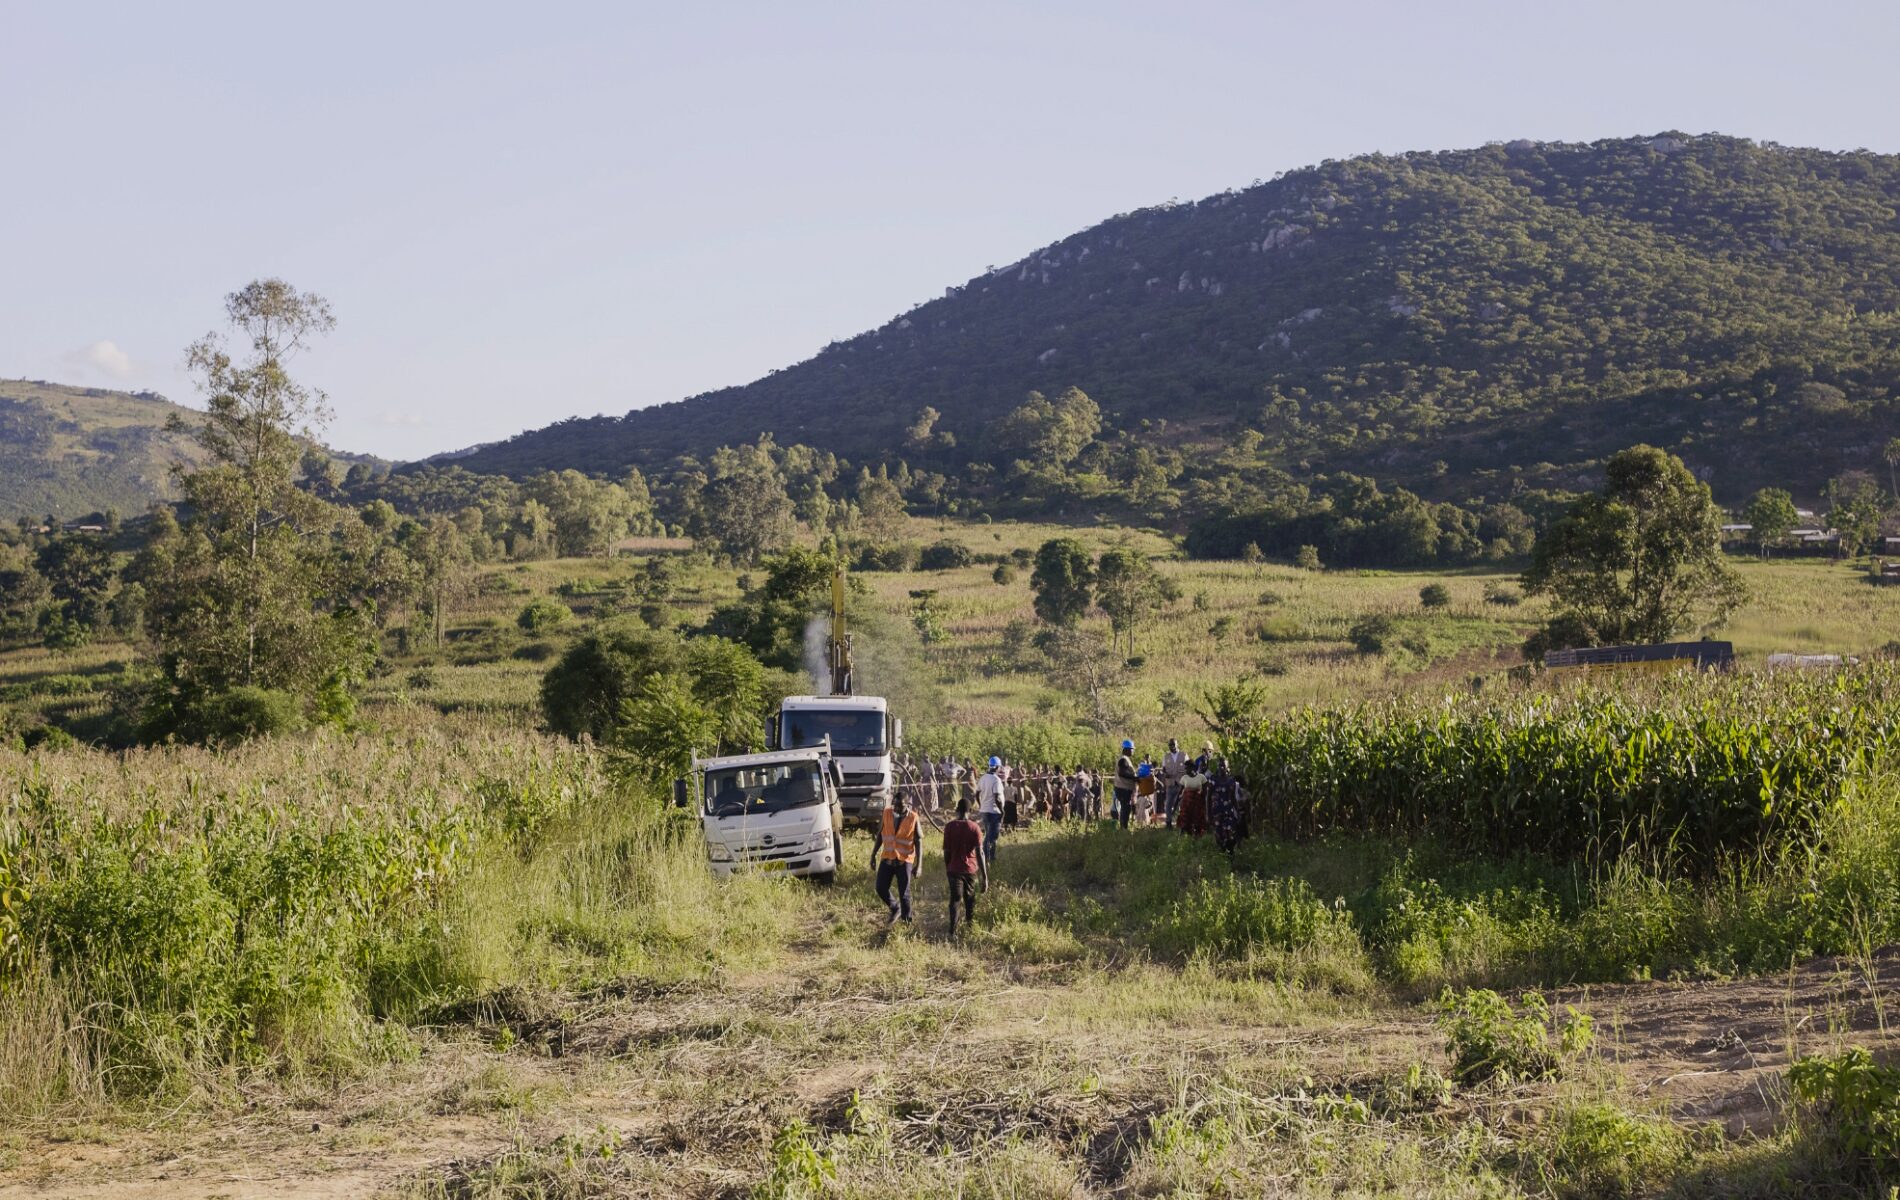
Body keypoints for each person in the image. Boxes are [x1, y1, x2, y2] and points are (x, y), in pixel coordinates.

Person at [871, 786, 922, 923]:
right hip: (887, 858)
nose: (896, 808)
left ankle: (907, 921)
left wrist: (919, 865)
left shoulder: (913, 817)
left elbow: (918, 841)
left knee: (904, 894)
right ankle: (895, 908)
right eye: (895, 805)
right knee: (880, 887)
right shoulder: (887, 813)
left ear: (907, 804)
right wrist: (873, 855)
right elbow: (880, 835)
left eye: (899, 806)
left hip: (904, 861)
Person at [941, 797, 988, 935]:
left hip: (954, 869)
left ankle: (952, 931)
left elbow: (946, 852)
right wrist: (985, 877)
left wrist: (948, 867)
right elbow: (980, 853)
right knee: (970, 898)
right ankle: (970, 926)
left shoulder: (949, 827)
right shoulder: (975, 828)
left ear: (956, 810)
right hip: (970, 870)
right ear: (971, 811)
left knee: (955, 899)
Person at [1209, 758, 1248, 857]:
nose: (1221, 768)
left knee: (1230, 835)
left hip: (1228, 812)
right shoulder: (1213, 780)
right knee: (1219, 836)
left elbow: (1233, 798)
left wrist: (1238, 813)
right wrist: (1208, 814)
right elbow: (1208, 797)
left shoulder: (1231, 781)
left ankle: (1230, 855)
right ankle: (1222, 855)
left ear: (1227, 768)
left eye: (1223, 766)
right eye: (1220, 765)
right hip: (1217, 812)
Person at [976, 755, 1005, 863]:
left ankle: (987, 857)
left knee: (988, 833)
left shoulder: (983, 778)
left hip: (984, 810)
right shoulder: (996, 780)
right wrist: (1002, 811)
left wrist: (981, 804)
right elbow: (997, 797)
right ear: (997, 767)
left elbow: (977, 794)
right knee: (993, 836)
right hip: (994, 811)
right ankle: (988, 857)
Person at [1177, 758, 1209, 836]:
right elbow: (1179, 792)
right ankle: (1180, 840)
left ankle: (1197, 839)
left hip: (1197, 803)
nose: (1186, 770)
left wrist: (1205, 805)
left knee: (1197, 822)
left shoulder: (1201, 777)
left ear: (1192, 768)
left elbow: (1205, 792)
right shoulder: (1184, 778)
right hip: (1186, 804)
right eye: (1185, 768)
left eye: (1187, 768)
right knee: (1184, 822)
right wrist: (1175, 805)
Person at [1161, 738, 1188, 828]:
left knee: (1182, 804)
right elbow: (1163, 769)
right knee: (1168, 804)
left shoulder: (1184, 755)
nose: (1172, 747)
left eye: (1173, 745)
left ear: (1177, 744)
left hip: (1181, 784)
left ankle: (1181, 823)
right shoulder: (1166, 756)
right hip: (1170, 784)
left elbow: (1188, 768)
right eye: (1170, 745)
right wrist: (1165, 775)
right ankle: (1168, 823)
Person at [1113, 740, 1138, 829]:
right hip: (1123, 788)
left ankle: (1124, 827)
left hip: (1123, 788)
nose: (1133, 751)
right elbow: (1122, 773)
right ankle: (1123, 828)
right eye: (1132, 749)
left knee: (1126, 808)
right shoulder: (1123, 759)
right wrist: (1134, 778)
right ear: (1127, 749)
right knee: (1125, 809)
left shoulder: (1124, 759)